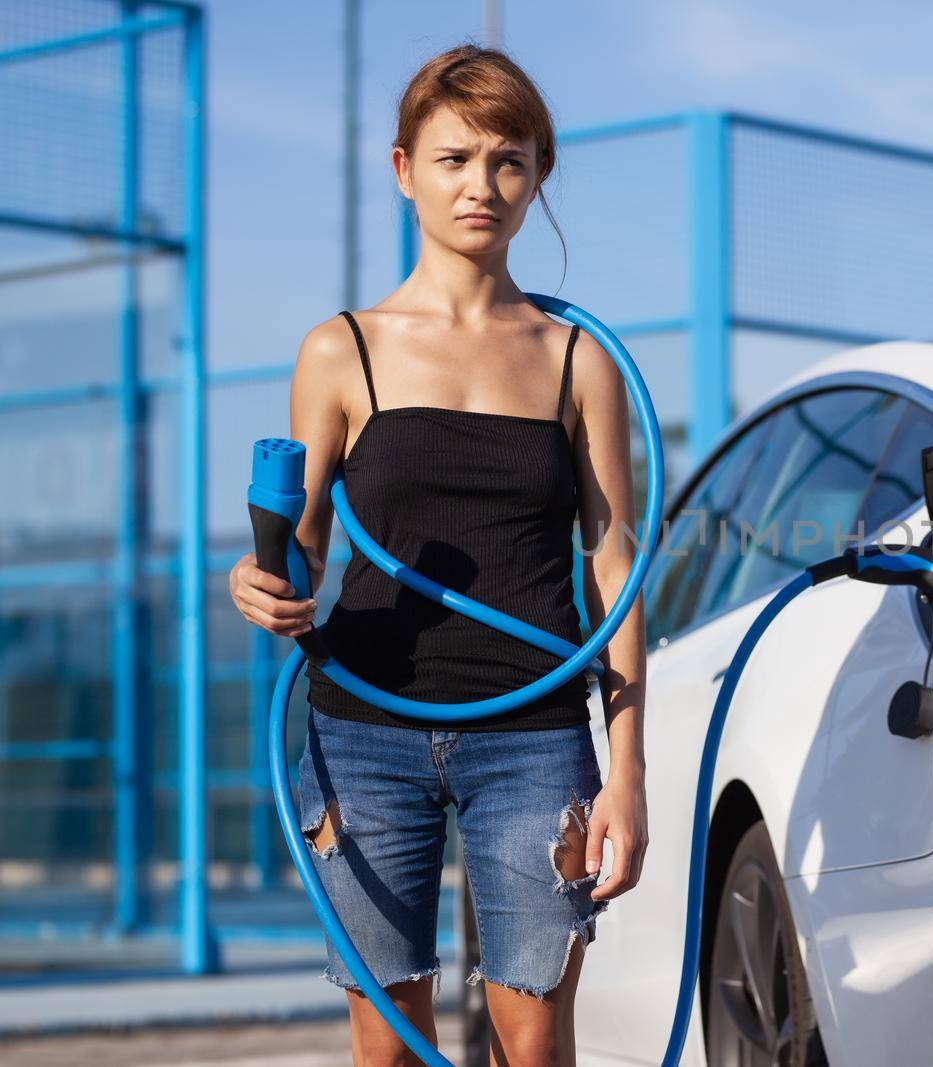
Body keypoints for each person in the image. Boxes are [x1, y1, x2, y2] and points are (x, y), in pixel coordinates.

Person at [227, 42, 648, 1067]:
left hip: (534, 729)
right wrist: (263, 577)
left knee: (534, 1036)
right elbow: (311, 545)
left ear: (538, 174)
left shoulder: (576, 358)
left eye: (509, 160)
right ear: (402, 167)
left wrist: (627, 771)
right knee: (390, 1041)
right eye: (455, 158)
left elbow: (615, 561)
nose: (483, 185)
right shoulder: (343, 350)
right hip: (365, 723)